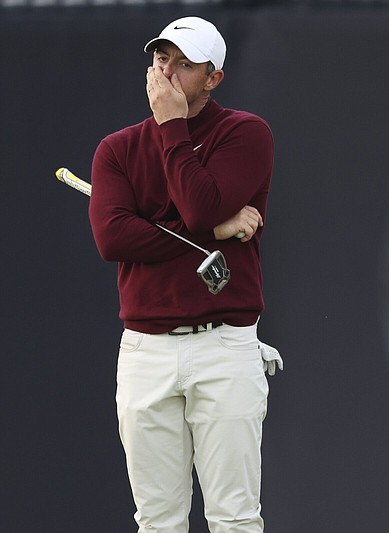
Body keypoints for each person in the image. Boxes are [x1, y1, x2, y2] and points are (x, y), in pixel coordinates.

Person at [88, 16, 282, 533]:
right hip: (145, 352)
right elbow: (113, 240)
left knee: (235, 518)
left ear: (214, 77)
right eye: (160, 58)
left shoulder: (245, 133)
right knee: (157, 522)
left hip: (224, 346)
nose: (167, 71)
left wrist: (172, 126)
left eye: (184, 63)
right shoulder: (117, 149)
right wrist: (215, 231)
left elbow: (197, 209)